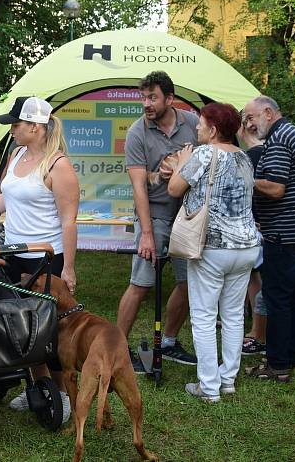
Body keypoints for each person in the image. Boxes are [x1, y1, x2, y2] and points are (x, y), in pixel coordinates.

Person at [0, 95, 79, 423]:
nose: (12, 130)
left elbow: (69, 221)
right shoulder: (17, 155)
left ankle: (61, 394)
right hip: (12, 255)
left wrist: (69, 268)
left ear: (35, 126)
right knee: (21, 326)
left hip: (45, 260)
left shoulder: (59, 166)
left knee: (51, 328)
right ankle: (38, 384)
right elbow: (7, 197)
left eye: (16, 125)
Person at [168, 103, 261, 402]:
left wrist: (183, 161)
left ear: (213, 129)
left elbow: (174, 188)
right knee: (234, 316)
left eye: (201, 123)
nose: (196, 128)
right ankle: (228, 379)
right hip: (246, 245)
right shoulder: (245, 159)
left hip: (212, 246)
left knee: (205, 317)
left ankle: (208, 388)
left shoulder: (204, 153)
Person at [117, 70, 199, 371]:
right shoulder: (137, 132)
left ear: (170, 98)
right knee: (141, 283)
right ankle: (117, 348)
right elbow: (139, 185)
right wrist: (147, 234)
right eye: (143, 97)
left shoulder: (193, 123)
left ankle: (169, 341)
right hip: (155, 214)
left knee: (190, 283)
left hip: (189, 214)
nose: (146, 103)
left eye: (152, 97)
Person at [242, 95, 295, 382]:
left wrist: (243, 177)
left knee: (277, 298)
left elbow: (275, 188)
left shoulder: (280, 139)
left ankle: (276, 364)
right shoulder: (291, 133)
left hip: (283, 233)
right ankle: (294, 357)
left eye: (251, 117)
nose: (249, 124)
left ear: (268, 113)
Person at [237, 117, 267, 356]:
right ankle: (255, 330)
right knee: (253, 278)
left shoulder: (253, 155)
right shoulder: (261, 152)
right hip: (260, 226)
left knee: (255, 280)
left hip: (258, 228)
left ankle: (258, 333)